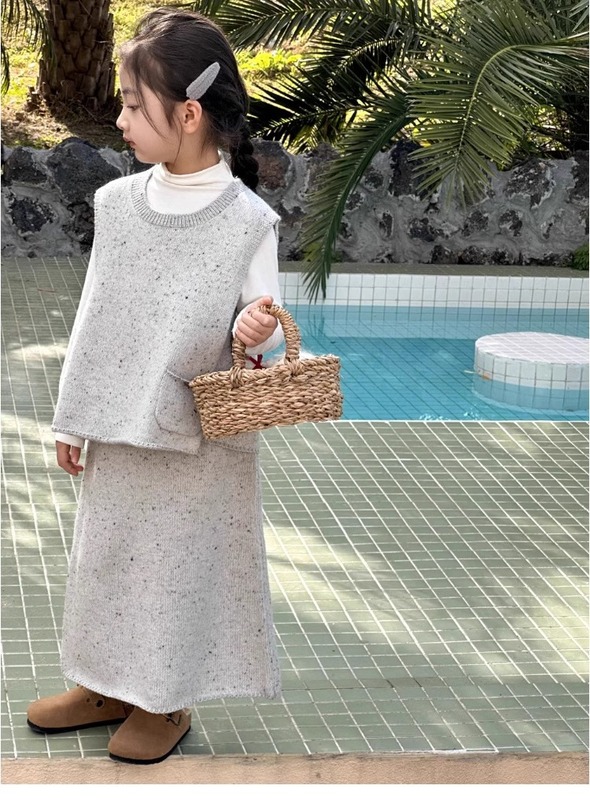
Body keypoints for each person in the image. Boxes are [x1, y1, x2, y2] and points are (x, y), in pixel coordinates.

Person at [27, 7, 285, 765]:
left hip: (197, 434)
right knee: (106, 555)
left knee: (177, 565)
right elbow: (94, 315)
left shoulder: (248, 220)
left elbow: (265, 326)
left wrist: (255, 330)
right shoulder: (118, 205)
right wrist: (70, 419)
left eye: (135, 106)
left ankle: (165, 699)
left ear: (190, 114)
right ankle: (105, 683)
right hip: (116, 419)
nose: (121, 119)